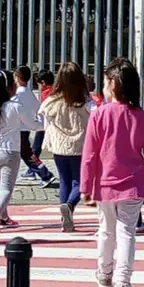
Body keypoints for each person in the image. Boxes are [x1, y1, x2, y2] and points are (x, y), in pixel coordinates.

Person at [81, 57, 144, 287]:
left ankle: (105, 274)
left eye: (105, 82)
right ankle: (124, 282)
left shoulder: (99, 115)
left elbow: (89, 154)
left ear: (112, 83)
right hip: (133, 185)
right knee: (126, 233)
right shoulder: (141, 117)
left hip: (104, 185)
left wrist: (85, 186)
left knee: (106, 231)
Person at [0, 70, 44, 232]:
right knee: (6, 188)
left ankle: (3, 216)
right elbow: (34, 125)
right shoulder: (14, 107)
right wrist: (46, 121)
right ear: (9, 87)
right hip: (10, 151)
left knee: (0, 186)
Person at [39, 62, 95, 232]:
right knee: (80, 181)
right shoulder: (85, 102)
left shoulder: (52, 101)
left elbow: (43, 118)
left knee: (64, 180)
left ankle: (65, 216)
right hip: (79, 146)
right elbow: (97, 116)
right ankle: (69, 206)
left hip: (58, 147)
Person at [13, 66, 56, 187]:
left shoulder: (18, 94)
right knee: (26, 154)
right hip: (25, 128)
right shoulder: (29, 93)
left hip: (19, 128)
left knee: (25, 154)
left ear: (17, 77)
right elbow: (38, 108)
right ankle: (44, 173)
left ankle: (45, 174)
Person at [31, 68, 55, 159]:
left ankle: (34, 157)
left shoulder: (46, 93)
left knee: (39, 136)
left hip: (47, 121)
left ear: (43, 82)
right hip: (52, 121)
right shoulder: (55, 90)